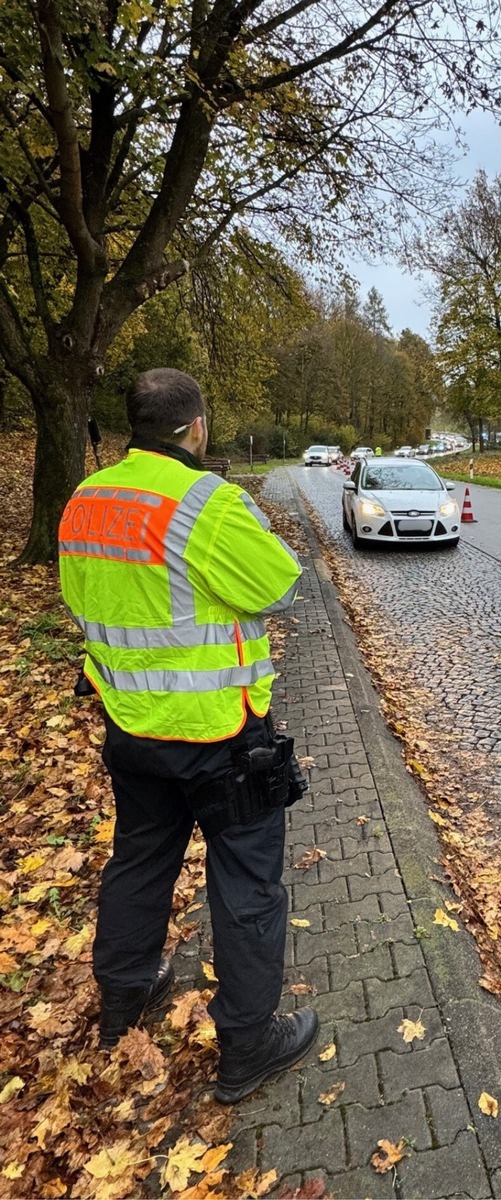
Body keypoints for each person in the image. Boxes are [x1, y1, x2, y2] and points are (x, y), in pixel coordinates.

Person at [58, 368, 319, 1103]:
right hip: (221, 739)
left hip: (131, 729)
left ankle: (124, 997)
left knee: (139, 863)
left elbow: (80, 599)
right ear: (195, 426)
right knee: (245, 888)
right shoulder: (206, 504)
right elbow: (279, 585)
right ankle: (246, 1045)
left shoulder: (85, 499)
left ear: (132, 426)